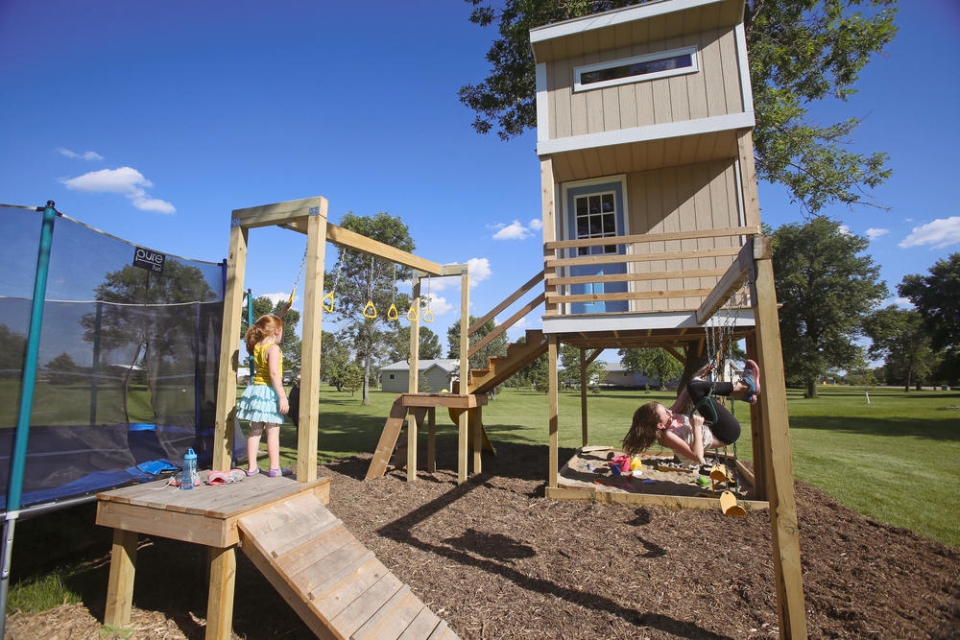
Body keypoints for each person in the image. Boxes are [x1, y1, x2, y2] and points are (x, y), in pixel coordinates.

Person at [621, 360, 760, 466]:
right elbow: (698, 457)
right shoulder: (668, 435)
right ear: (660, 425)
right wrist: (697, 427)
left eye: (667, 409)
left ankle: (744, 393)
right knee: (696, 388)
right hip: (726, 433)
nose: (670, 411)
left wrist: (699, 378)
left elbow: (688, 390)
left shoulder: (669, 418)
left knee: (693, 386)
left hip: (716, 428)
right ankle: (745, 386)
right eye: (666, 412)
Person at [236, 314, 291, 477]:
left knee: (255, 431)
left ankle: (252, 468)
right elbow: (274, 374)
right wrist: (282, 396)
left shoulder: (257, 346)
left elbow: (268, 323)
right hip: (268, 392)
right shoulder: (273, 348)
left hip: (255, 391)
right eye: (282, 331)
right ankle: (275, 468)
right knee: (273, 431)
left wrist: (282, 311)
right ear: (276, 331)